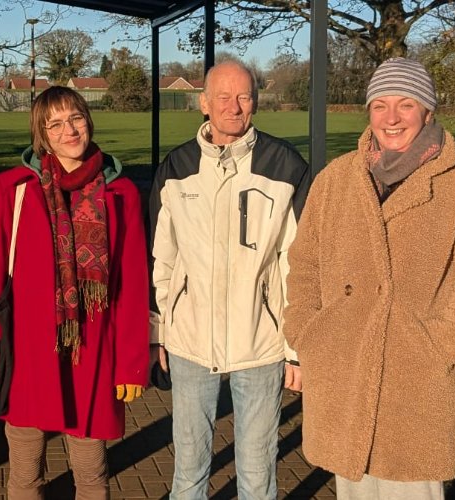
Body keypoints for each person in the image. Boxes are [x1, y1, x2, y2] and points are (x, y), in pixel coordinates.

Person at [281, 57, 455, 499]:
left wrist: (442, 346)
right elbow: (304, 263)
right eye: (380, 105)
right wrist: (307, 332)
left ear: (428, 111)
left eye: (405, 104)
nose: (391, 117)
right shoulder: (337, 179)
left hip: (416, 381)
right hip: (343, 371)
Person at [0, 86, 149, 500]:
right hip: (29, 352)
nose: (69, 130)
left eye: (76, 118)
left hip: (93, 352)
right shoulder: (12, 188)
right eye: (55, 123)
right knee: (26, 475)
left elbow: (132, 283)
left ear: (89, 120)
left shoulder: (121, 193)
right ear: (41, 135)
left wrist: (133, 361)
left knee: (91, 475)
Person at [148, 60, 310, 500]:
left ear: (255, 101)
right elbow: (162, 258)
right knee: (189, 472)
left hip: (260, 345)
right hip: (190, 345)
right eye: (223, 96)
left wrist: (295, 349)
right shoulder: (177, 169)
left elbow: (298, 264)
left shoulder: (286, 167)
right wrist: (158, 332)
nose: (234, 107)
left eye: (244, 96)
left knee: (257, 477)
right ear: (203, 103)